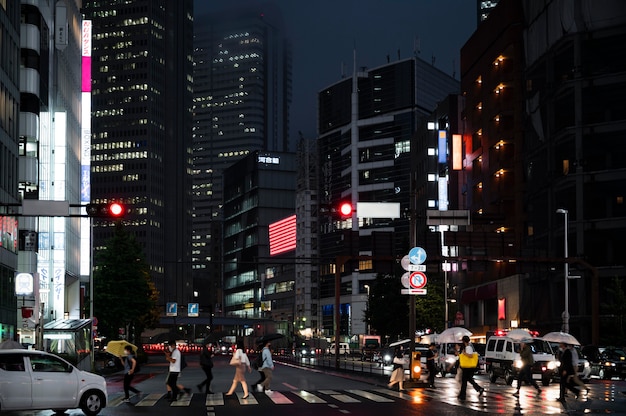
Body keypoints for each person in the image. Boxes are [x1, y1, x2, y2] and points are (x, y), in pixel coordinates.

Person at [458, 335, 485, 400]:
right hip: (467, 366)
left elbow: (470, 356)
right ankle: (479, 389)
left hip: (468, 367)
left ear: (464, 341)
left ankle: (462, 395)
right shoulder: (467, 347)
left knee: (465, 380)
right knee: (468, 379)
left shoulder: (468, 347)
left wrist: (464, 354)